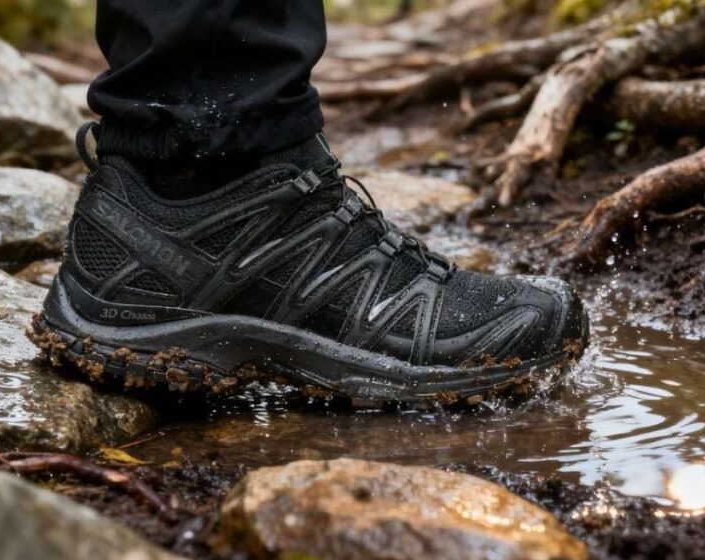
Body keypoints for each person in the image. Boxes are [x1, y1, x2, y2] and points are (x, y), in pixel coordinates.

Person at [30, 0, 589, 404]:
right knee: (211, 131)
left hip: (137, 233)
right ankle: (211, 174)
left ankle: (175, 201)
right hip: (192, 179)